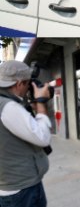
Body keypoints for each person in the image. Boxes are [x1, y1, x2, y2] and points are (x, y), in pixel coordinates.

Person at [0, 60, 51, 207]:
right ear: (19, 84)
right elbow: (43, 138)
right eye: (28, 83)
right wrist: (41, 104)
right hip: (21, 191)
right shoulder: (8, 107)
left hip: (10, 186)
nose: (29, 87)